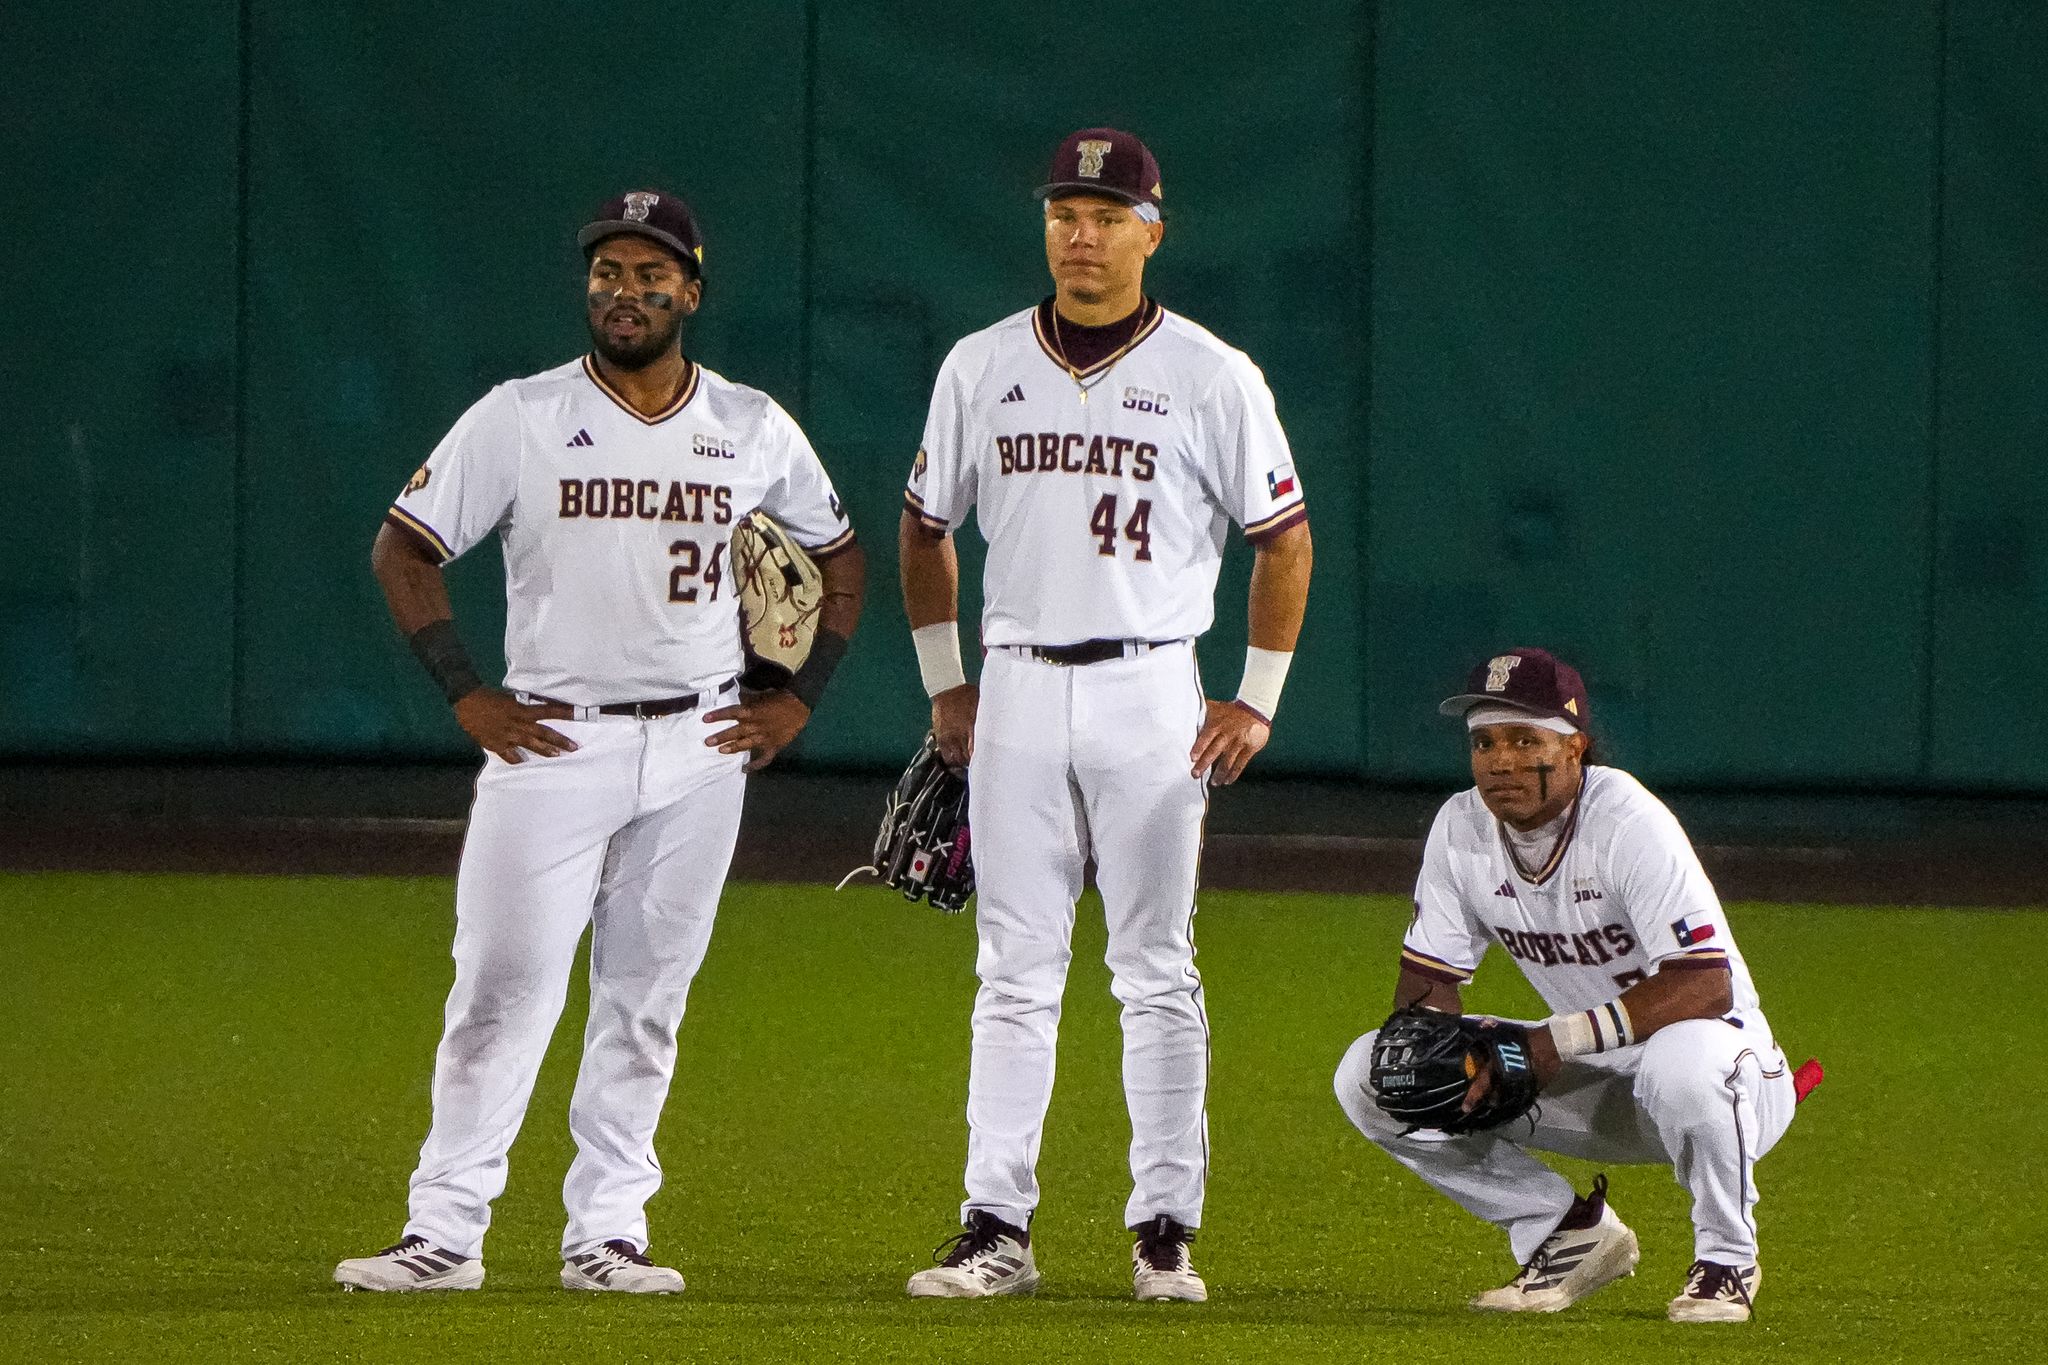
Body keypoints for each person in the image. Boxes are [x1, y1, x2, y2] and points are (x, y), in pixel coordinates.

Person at [334, 189, 863, 1294]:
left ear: (691, 293)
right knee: (498, 990)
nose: (625, 292)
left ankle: (608, 1233)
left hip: (701, 746)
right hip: (553, 743)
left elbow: (840, 555)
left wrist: (799, 697)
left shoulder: (751, 424)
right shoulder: (521, 415)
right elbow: (402, 547)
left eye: (650, 275)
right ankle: (445, 1231)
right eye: (608, 273)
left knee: (646, 1001)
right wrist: (465, 693)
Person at [897, 127, 1314, 1302]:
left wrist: (1257, 698)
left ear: (1151, 232)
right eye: (1062, 214)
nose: (1079, 235)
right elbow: (923, 526)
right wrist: (944, 681)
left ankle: (1164, 1229)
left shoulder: (1211, 374)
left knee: (1155, 968)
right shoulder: (980, 364)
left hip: (1148, 687)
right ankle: (993, 1227)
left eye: (1105, 216)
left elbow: (1283, 538)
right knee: (1012, 971)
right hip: (1016, 684)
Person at [1333, 647, 1798, 1323]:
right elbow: (1426, 986)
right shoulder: (1461, 826)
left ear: (1575, 747)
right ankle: (1565, 1230)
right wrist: (1445, 1052)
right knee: (1373, 1074)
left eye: (1526, 740)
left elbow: (1705, 986)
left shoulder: (1627, 821)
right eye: (1485, 742)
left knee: (1682, 1060)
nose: (1501, 760)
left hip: (1731, 1082)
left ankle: (1727, 1259)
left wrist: (1552, 1041)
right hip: (1598, 1085)